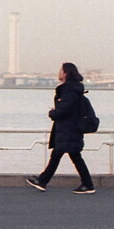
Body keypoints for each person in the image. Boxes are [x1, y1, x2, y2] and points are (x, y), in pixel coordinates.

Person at [26, 62, 96, 194]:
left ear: (65, 73)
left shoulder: (68, 90)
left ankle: (43, 181)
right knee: (71, 156)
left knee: (62, 155)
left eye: (60, 70)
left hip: (67, 130)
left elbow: (63, 110)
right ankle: (87, 184)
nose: (58, 73)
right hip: (71, 130)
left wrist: (53, 113)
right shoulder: (74, 90)